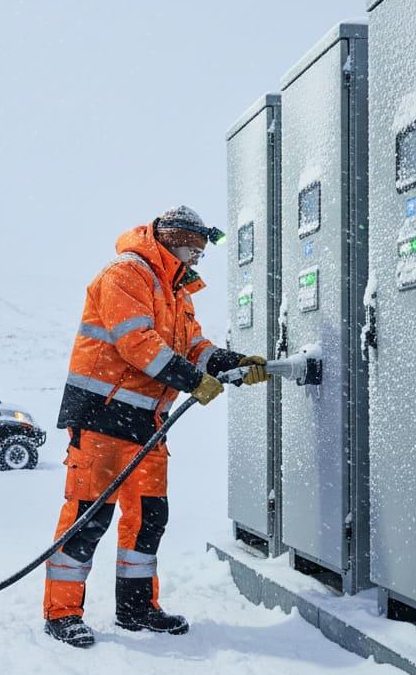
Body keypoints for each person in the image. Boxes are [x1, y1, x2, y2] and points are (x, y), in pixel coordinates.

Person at [43, 206, 268, 648]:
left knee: (149, 517)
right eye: (193, 249)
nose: (197, 258)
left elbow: (194, 347)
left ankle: (136, 609)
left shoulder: (177, 292)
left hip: (147, 423)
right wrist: (192, 381)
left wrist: (234, 363)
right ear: (172, 241)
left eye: (201, 252)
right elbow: (136, 342)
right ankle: (62, 613)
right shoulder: (127, 274)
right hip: (102, 416)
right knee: (89, 518)